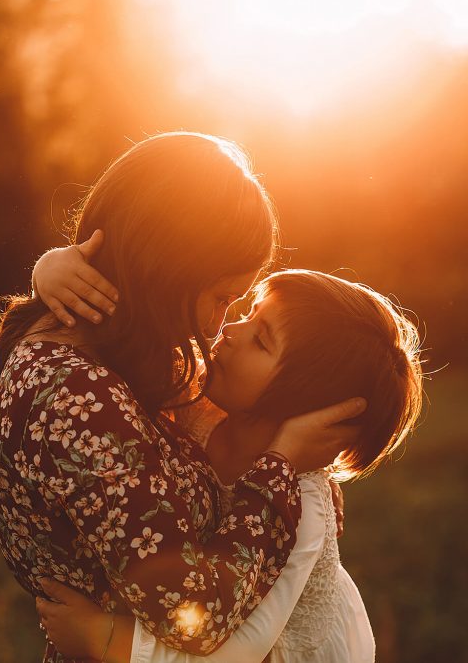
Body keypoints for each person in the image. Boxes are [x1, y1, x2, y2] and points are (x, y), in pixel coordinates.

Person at [0, 132, 364, 662]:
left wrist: (49, 269)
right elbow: (197, 616)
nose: (220, 326)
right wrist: (279, 468)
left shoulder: (117, 366)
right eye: (222, 298)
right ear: (166, 268)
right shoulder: (77, 397)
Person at [33, 268, 424, 662]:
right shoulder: (196, 405)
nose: (233, 330)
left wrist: (105, 640)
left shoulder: (303, 509)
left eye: (261, 340)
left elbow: (240, 653)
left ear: (302, 403)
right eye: (250, 311)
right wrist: (50, 273)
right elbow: (125, 334)